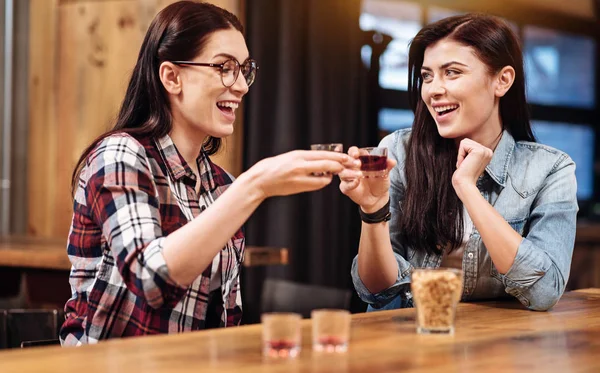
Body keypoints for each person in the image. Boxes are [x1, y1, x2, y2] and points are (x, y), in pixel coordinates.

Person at [61, 1, 351, 345]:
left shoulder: (220, 184)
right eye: (224, 67)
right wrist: (255, 185)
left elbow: (223, 319)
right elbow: (152, 280)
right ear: (171, 76)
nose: (242, 85)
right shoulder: (120, 155)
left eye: (245, 69)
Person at [340, 13, 578, 312]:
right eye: (427, 76)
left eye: (452, 72)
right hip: (409, 341)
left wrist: (467, 188)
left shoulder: (550, 169)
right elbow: (378, 291)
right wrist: (373, 211)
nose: (434, 90)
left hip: (497, 348)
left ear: (502, 80)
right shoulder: (398, 151)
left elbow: (544, 293)